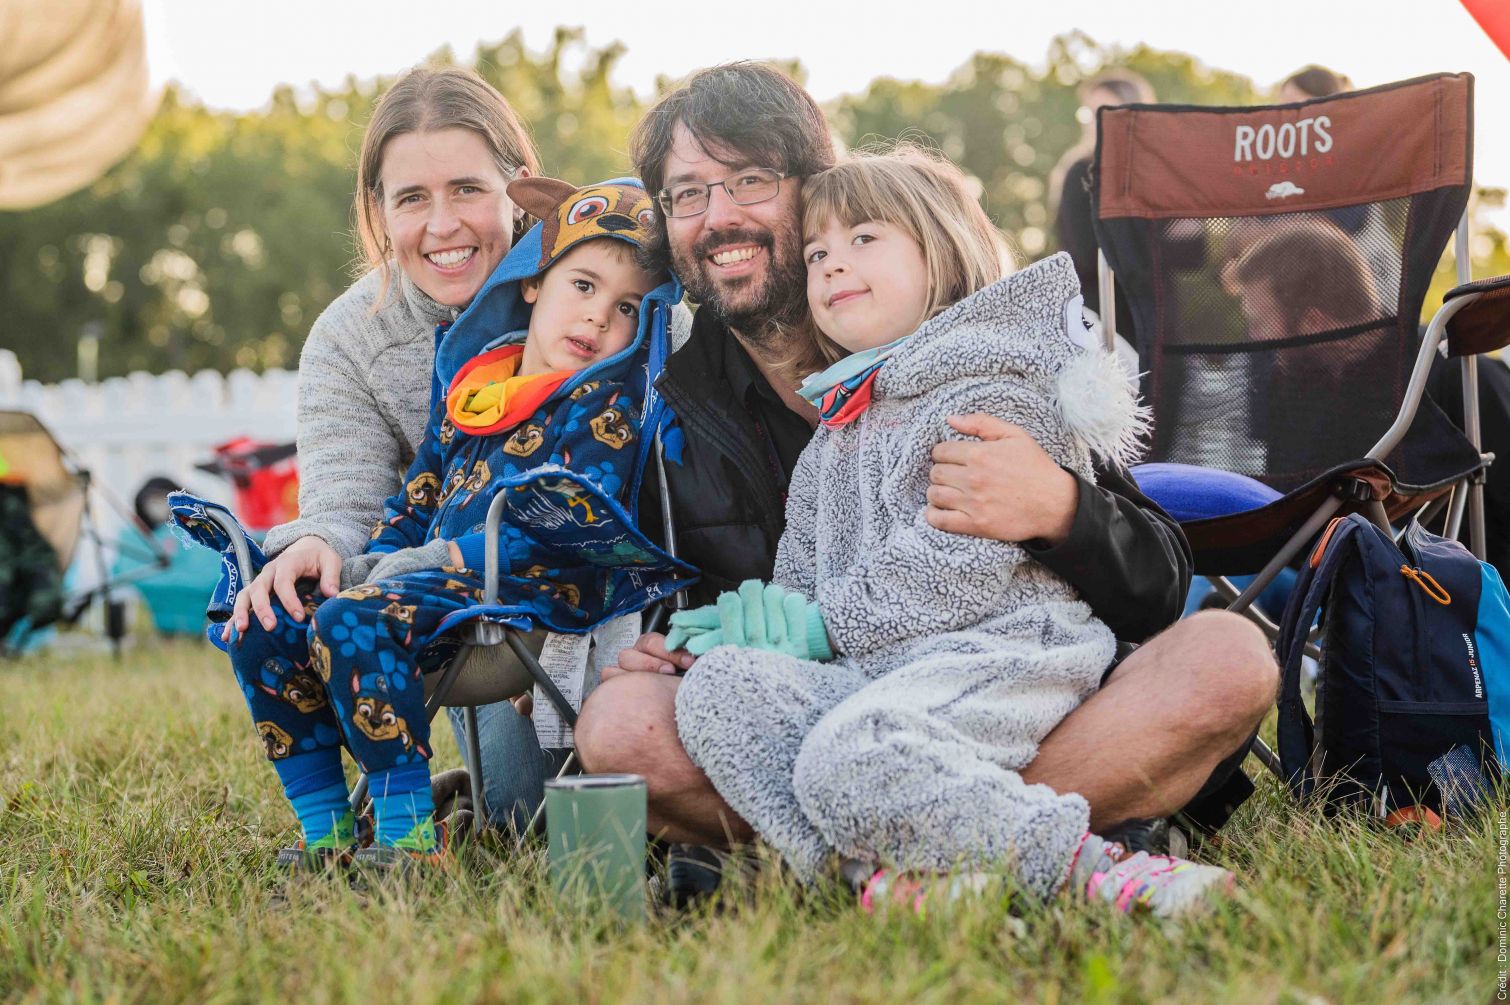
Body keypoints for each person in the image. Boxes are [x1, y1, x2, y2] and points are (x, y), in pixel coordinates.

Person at [574, 63, 1277, 883]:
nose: (719, 215)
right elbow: (748, 617)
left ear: (816, 185)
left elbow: (1161, 580)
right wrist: (685, 644)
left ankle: (900, 853)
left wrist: (1062, 510)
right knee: (622, 722)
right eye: (687, 194)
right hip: (833, 701)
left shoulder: (977, 356)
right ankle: (947, 848)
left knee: (1228, 654)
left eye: (750, 180)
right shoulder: (668, 396)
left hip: (1019, 689)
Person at [221, 175, 670, 868]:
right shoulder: (475, 388)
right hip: (428, 598)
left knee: (352, 618)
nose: (598, 318)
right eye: (582, 285)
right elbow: (414, 504)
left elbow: (552, 529)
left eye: (628, 309)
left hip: (521, 606)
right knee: (266, 622)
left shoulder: (601, 409)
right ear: (533, 282)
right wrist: (365, 563)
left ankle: (408, 842)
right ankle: (326, 834)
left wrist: (401, 570)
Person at [216, 67, 562, 831]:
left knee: (592, 801)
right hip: (462, 607)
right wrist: (315, 540)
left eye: (467, 189)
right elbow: (345, 502)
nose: (443, 225)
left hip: (593, 596)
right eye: (411, 198)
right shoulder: (351, 337)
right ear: (378, 209)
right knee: (520, 812)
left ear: (519, 189)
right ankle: (377, 814)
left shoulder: (591, 290)